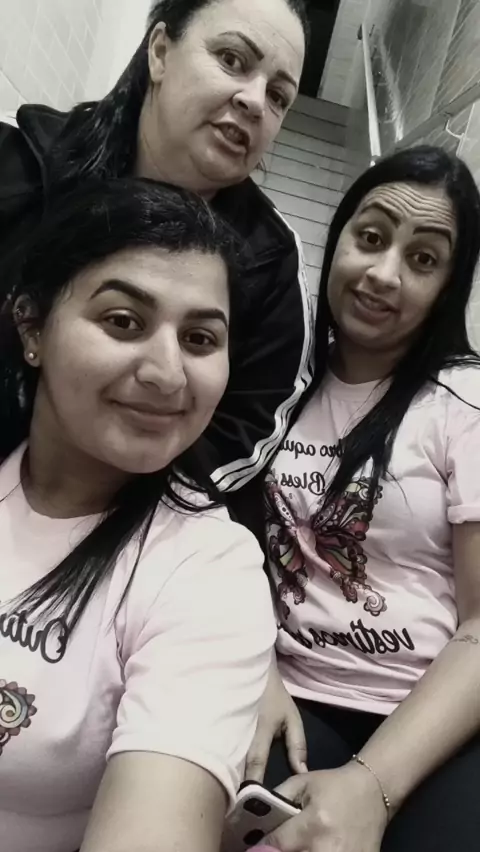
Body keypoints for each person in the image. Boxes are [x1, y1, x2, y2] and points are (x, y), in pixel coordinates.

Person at [0, 178, 276, 852]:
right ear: (32, 326)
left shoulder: (209, 570)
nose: (167, 373)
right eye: (123, 322)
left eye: (201, 339)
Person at [245, 146, 480, 852]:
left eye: (423, 259)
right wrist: (255, 667)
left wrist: (372, 784)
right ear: (339, 236)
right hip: (289, 697)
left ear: (448, 286)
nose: (383, 274)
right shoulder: (279, 381)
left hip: (429, 714)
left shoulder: (463, 402)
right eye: (371, 237)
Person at [0, 0, 314, 503]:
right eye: (232, 59)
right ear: (161, 51)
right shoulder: (21, 163)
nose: (255, 101)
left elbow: (242, 431)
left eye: (279, 95)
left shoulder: (270, 261)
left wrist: (89, 519)